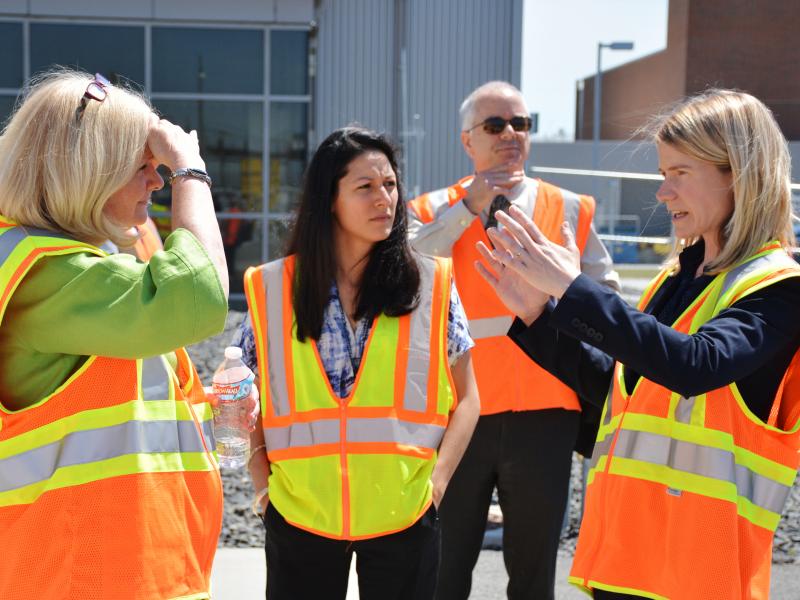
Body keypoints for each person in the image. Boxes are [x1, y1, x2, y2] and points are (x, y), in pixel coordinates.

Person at [478, 89, 800, 599]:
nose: (662, 193)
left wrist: (574, 288)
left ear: (737, 173)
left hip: (700, 579)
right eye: (662, 174)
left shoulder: (779, 288)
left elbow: (695, 366)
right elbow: (619, 391)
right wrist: (538, 315)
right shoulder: (674, 280)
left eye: (680, 173)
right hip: (628, 568)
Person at [0, 70, 230, 599]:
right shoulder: (48, 273)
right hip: (81, 580)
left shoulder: (81, 269)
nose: (156, 180)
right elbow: (201, 298)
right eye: (143, 166)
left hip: (121, 575)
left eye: (161, 169)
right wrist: (190, 172)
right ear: (87, 169)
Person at [233, 127, 480, 600]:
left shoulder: (430, 284)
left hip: (405, 515)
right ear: (330, 198)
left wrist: (439, 484)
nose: (383, 198)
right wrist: (263, 489)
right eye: (365, 187)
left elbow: (469, 399)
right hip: (300, 516)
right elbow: (242, 399)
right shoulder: (271, 289)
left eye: (389, 185)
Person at [406, 80, 619, 599]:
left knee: (533, 570)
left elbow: (608, 301)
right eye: (495, 125)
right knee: (442, 565)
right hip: (458, 414)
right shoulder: (433, 206)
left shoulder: (567, 207)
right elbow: (404, 270)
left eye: (520, 123)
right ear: (467, 141)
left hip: (546, 413)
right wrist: (466, 209)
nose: (510, 135)